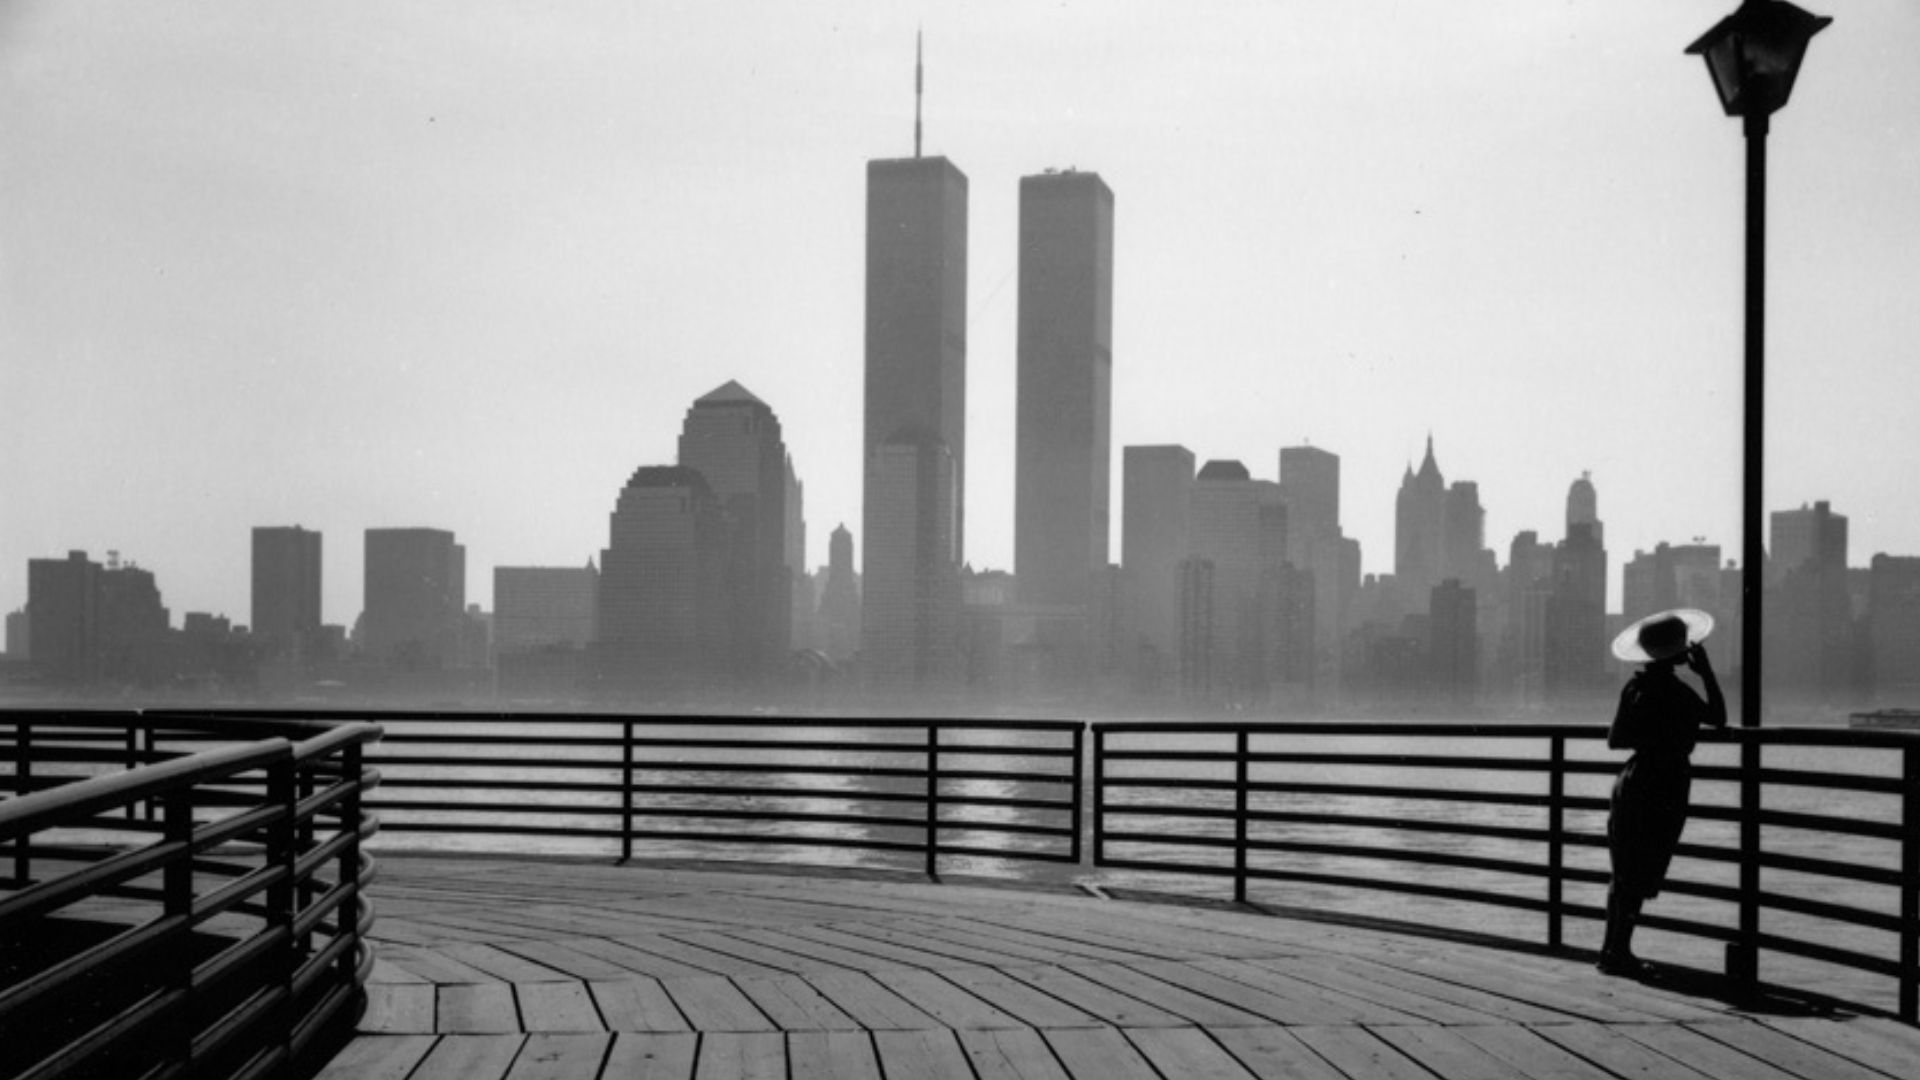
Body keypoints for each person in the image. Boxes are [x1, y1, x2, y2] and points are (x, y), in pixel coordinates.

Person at [1598, 608, 1727, 978]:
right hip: (1666, 783)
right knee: (1644, 869)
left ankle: (1612, 950)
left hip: (1633, 779)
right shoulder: (1678, 692)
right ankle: (1619, 952)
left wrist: (1648, 735)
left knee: (1623, 869)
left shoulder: (1635, 688)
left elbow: (1615, 739)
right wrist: (1706, 674)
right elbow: (1717, 717)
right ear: (1680, 653)